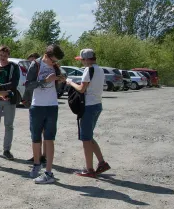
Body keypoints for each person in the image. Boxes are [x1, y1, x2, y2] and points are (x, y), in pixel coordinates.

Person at [23, 44, 66, 184]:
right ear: (46, 56)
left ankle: (48, 172)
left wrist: (60, 80)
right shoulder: (35, 65)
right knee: (36, 137)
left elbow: (60, 83)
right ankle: (36, 164)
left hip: (52, 106)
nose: (54, 63)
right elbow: (28, 85)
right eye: (53, 60)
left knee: (49, 138)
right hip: (37, 106)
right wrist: (45, 81)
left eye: (56, 61)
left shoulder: (55, 66)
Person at [66, 49, 110, 177]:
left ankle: (89, 169)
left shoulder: (88, 70)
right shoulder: (100, 69)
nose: (82, 63)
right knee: (89, 137)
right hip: (97, 105)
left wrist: (70, 82)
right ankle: (102, 163)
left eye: (82, 60)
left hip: (88, 107)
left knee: (86, 139)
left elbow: (81, 89)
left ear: (86, 59)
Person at [0, 45, 20, 160]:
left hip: (9, 100)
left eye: (5, 55)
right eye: (1, 55)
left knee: (9, 126)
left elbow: (14, 83)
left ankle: (6, 150)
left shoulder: (14, 67)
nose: (3, 57)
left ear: (8, 55)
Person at [26, 52, 47, 164]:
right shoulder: (35, 70)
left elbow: (30, 86)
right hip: (34, 103)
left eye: (32, 61)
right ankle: (40, 155)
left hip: (38, 104)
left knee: (37, 130)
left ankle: (39, 156)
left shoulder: (39, 70)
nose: (31, 64)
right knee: (38, 131)